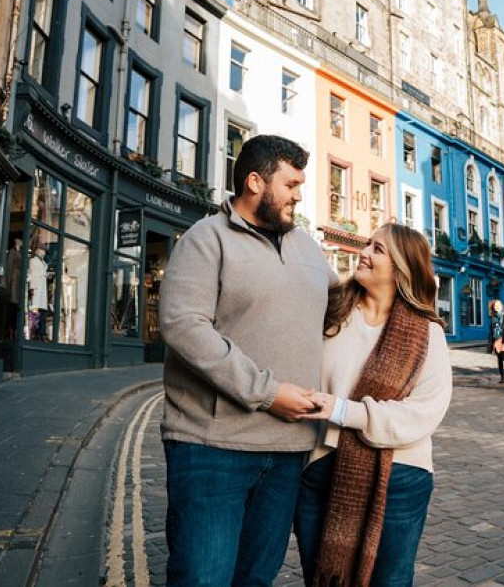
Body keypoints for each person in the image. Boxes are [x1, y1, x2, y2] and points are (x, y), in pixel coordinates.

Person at [159, 135, 336, 586]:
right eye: (291, 184)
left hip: (289, 450)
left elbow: (346, 307)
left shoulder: (307, 247)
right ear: (255, 181)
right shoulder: (205, 239)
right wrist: (268, 393)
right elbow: (184, 326)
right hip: (212, 447)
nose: (299, 194)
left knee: (256, 579)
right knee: (203, 579)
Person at [296, 224, 452, 586]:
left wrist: (344, 411)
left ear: (400, 269)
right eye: (367, 244)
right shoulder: (334, 311)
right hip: (322, 467)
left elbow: (423, 413)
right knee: (321, 578)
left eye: (377, 249)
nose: (364, 252)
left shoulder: (428, 333)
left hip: (400, 474)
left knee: (390, 580)